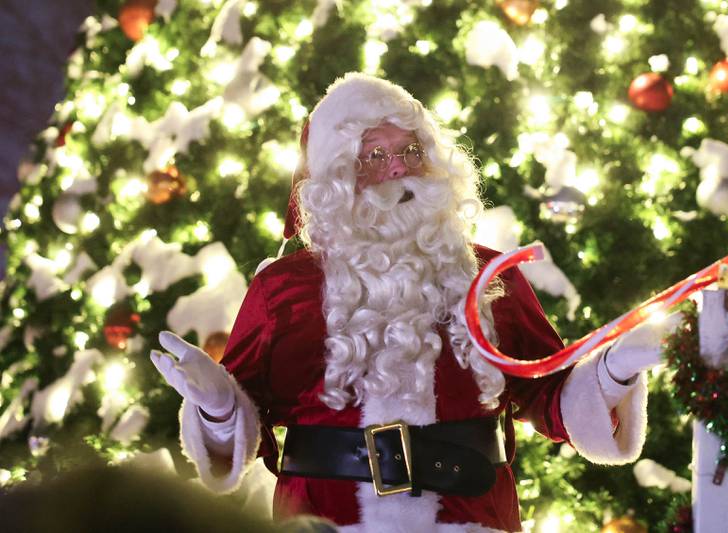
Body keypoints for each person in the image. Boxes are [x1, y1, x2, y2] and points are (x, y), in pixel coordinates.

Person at [151, 73, 679, 532]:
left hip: (472, 522)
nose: (399, 169)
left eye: (411, 151)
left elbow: (551, 396)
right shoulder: (282, 290)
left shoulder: (490, 278)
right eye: (375, 155)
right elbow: (241, 443)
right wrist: (218, 409)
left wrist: (616, 369)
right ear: (337, 174)